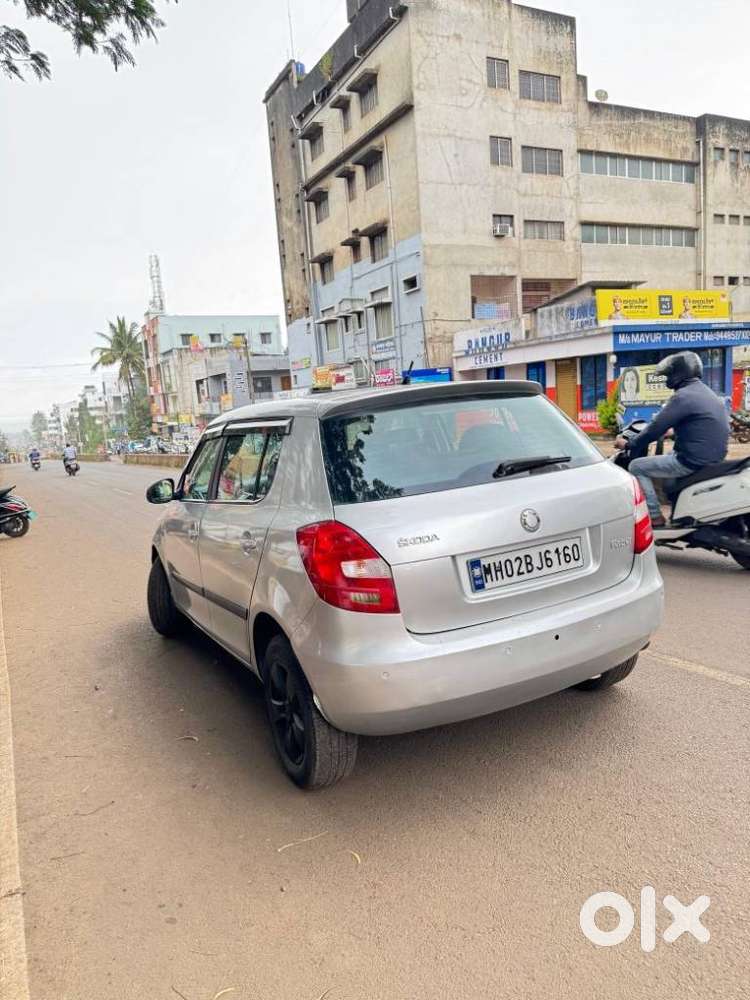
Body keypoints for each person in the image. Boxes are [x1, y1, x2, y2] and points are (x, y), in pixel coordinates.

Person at [616, 352, 729, 527]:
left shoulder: (682, 397)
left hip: (692, 460)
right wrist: (673, 434)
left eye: (669, 374)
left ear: (679, 373)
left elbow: (653, 429)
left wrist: (629, 443)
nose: (667, 378)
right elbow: (699, 426)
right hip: (712, 457)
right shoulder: (706, 392)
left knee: (636, 466)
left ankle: (654, 516)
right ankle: (675, 505)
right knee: (668, 454)